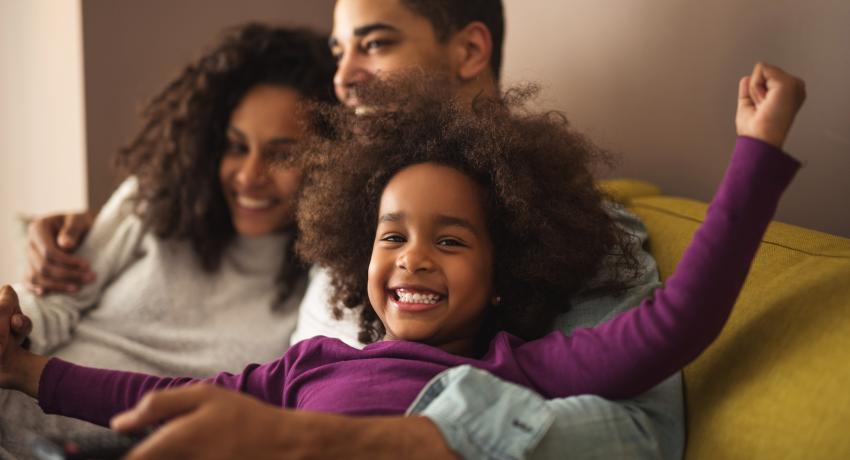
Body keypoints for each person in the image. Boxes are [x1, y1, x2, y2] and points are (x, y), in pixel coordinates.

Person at [1, 61, 805, 457]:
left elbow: (675, 323)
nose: (414, 258)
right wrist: (27, 372)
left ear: (502, 277)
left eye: (450, 240)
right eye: (392, 235)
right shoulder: (305, 364)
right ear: (359, 253)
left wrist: (757, 151)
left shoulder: (517, 371)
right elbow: (162, 397)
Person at [0, 23, 336, 458]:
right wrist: (13, 325)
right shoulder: (156, 203)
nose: (251, 175)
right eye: (236, 147)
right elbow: (55, 304)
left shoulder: (324, 284)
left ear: (330, 161)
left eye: (282, 154)